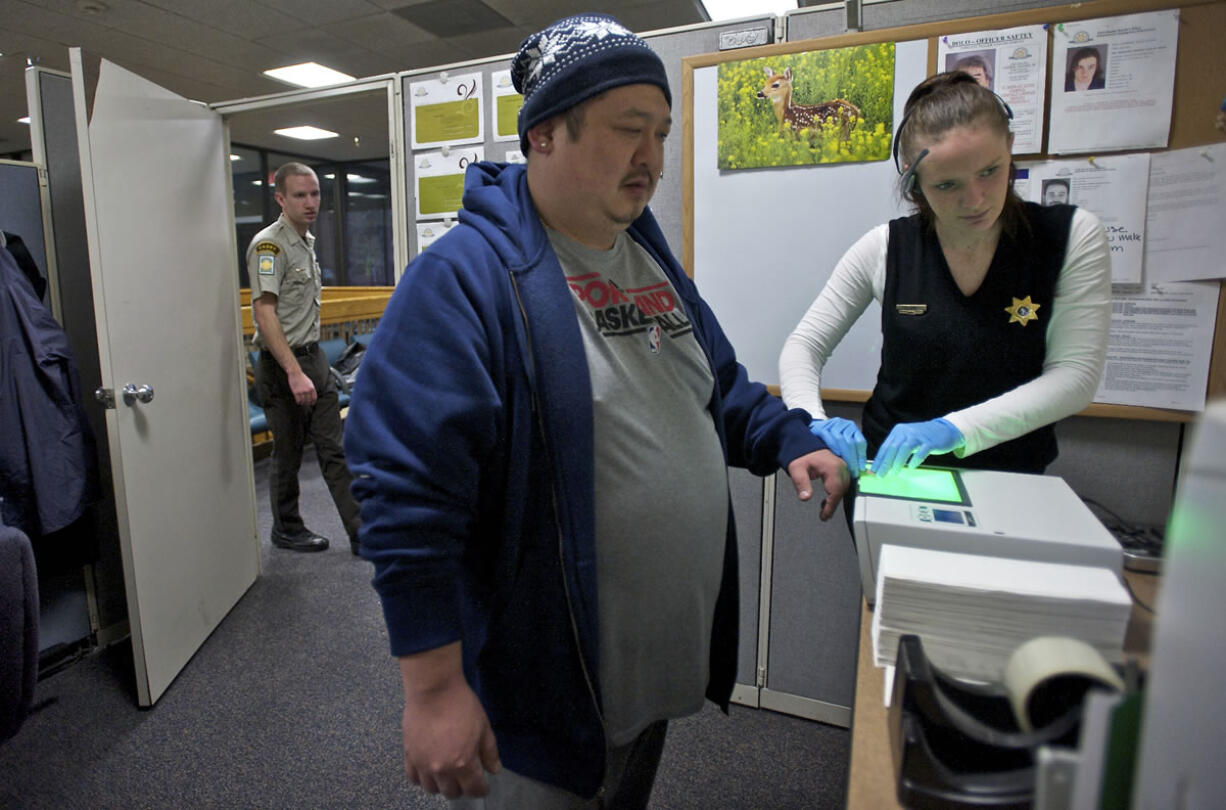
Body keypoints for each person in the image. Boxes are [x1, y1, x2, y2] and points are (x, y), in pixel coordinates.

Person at [343, 13, 849, 807]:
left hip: (646, 678)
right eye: (626, 129)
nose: (650, 156)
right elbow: (407, 502)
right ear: (545, 133)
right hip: (541, 702)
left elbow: (717, 387)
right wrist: (434, 688)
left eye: (661, 132)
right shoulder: (463, 281)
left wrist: (787, 438)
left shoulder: (645, 254)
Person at [779, 71, 1110, 488]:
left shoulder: (1070, 237)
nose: (975, 200)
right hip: (894, 476)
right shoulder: (885, 248)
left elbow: (1075, 376)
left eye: (990, 171)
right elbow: (804, 346)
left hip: (1012, 478)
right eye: (947, 184)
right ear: (914, 182)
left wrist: (952, 431)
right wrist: (813, 418)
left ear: (1009, 148)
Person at [247, 162, 360, 554]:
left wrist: (314, 367)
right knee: (290, 452)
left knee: (334, 449)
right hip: (283, 367)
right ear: (280, 198)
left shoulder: (306, 241)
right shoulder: (269, 246)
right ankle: (287, 528)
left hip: (314, 361)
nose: (310, 202)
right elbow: (264, 313)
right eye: (300, 195)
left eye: (314, 194)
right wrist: (295, 373)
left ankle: (362, 534)